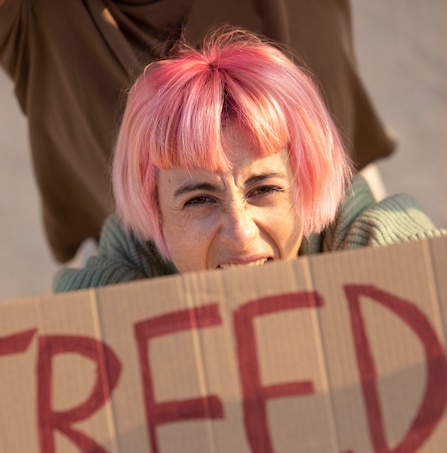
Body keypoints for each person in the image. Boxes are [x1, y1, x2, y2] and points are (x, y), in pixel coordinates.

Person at [54, 27, 447, 453]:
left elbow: (397, 232)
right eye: (198, 200)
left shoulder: (352, 234)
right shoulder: (122, 289)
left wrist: (400, 273)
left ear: (304, 188)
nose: (240, 234)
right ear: (153, 210)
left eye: (263, 188)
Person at [0, 0, 394, 265]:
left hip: (336, 198)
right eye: (198, 197)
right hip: (145, 255)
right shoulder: (36, 16)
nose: (241, 234)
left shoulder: (367, 229)